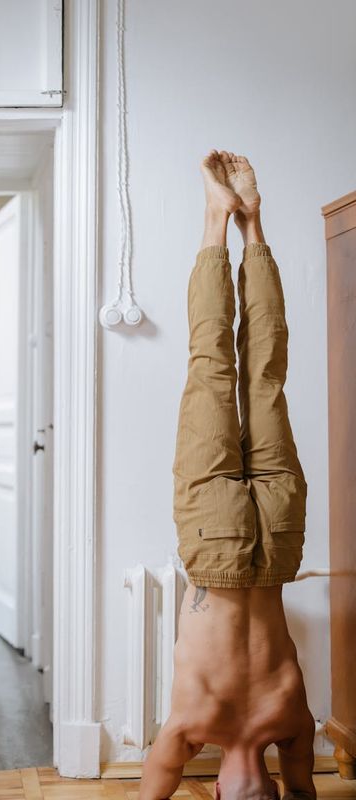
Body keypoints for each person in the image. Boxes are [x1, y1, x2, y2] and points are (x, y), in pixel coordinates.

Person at [138, 152, 316, 800]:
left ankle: (253, 224)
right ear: (214, 793)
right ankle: (219, 221)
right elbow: (153, 790)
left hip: (278, 543)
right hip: (214, 547)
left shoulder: (290, 722)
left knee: (266, 372)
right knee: (210, 363)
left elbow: (302, 791)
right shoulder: (192, 728)